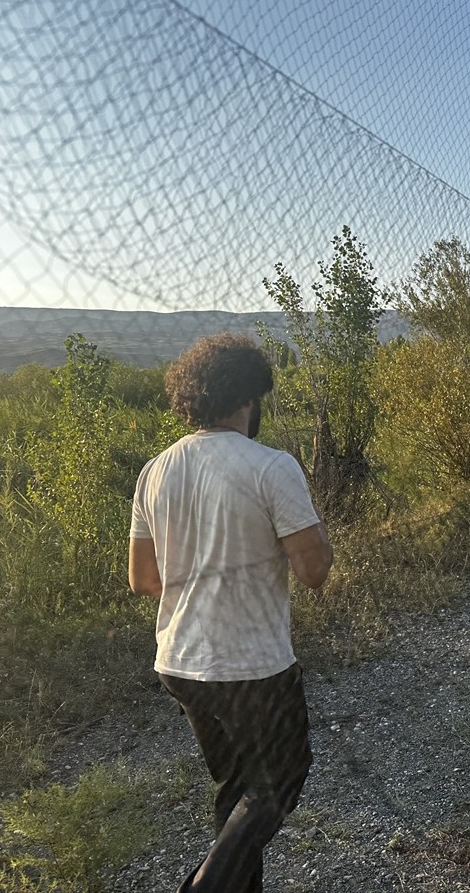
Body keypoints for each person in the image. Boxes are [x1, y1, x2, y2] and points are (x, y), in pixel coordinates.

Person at [129, 333, 333, 893]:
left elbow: (142, 580)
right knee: (281, 782)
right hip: (253, 667)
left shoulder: (155, 470)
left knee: (237, 789)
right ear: (249, 397)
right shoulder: (272, 467)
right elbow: (314, 573)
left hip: (180, 664)